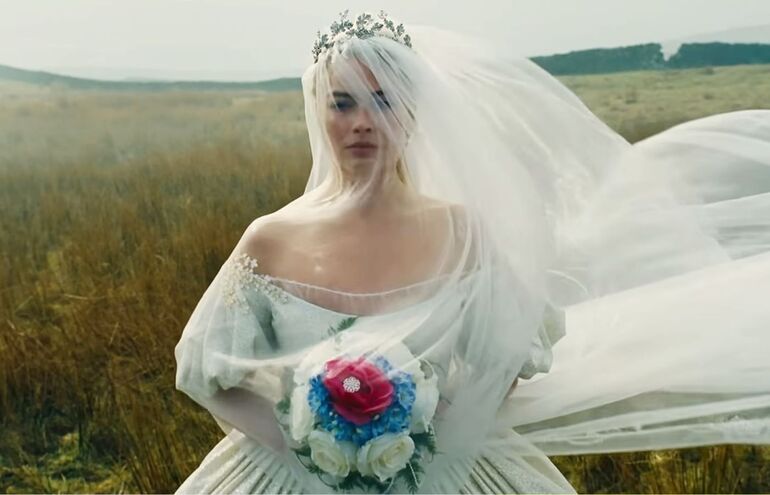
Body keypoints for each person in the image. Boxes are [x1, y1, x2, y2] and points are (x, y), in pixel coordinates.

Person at [173, 10, 770, 494]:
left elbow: (506, 358)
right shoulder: (270, 239)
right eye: (343, 102)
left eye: (383, 101)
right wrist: (305, 446)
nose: (362, 122)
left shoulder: (464, 234)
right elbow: (204, 373)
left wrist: (433, 430)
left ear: (414, 111)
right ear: (319, 111)